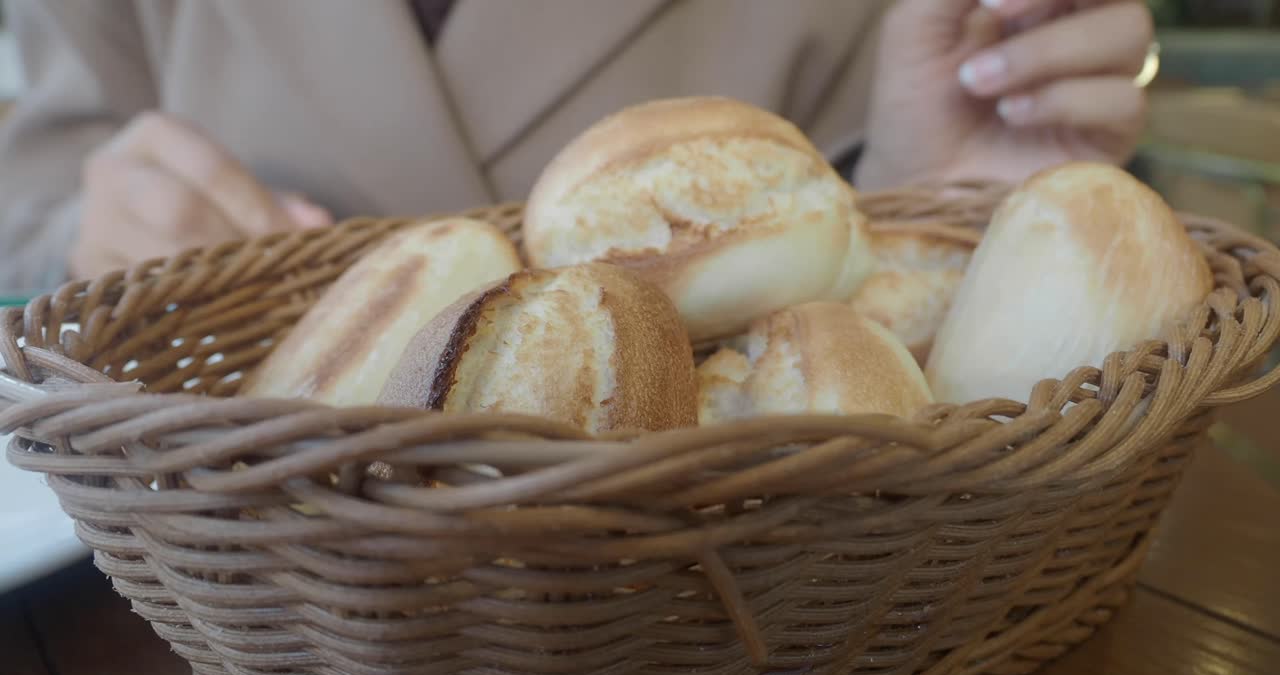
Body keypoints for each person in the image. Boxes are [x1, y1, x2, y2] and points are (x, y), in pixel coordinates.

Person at [0, 0, 1154, 296]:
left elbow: (868, 279)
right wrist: (85, 239)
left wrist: (929, 211)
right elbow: (29, 198)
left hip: (727, 601)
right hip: (227, 588)